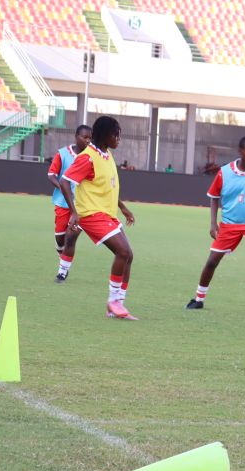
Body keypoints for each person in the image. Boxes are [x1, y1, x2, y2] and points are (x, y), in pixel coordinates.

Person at [57, 116, 138, 319]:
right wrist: (74, 212)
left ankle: (118, 305)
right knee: (123, 251)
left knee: (129, 256)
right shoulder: (87, 157)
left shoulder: (106, 154)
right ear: (104, 135)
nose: (118, 139)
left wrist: (123, 208)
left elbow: (107, 186)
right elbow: (66, 181)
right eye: (115, 135)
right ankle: (112, 302)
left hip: (107, 214)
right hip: (91, 215)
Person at [186, 136, 245, 315]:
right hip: (229, 224)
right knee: (212, 261)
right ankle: (198, 299)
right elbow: (214, 197)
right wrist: (213, 223)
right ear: (240, 152)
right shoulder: (224, 172)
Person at [48, 125, 92, 282]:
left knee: (70, 237)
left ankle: (62, 271)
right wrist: (63, 188)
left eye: (90, 138)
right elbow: (51, 174)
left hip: (81, 206)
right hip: (62, 203)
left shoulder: (92, 156)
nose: (88, 141)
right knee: (60, 239)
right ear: (76, 136)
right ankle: (62, 255)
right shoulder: (63, 153)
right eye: (84, 137)